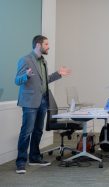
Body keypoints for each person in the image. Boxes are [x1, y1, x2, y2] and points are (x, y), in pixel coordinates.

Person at [15, 35, 71, 174]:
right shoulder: (25, 60)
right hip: (30, 102)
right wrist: (26, 76)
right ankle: (21, 162)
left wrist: (58, 74)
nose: (48, 46)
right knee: (26, 132)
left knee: (38, 131)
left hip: (43, 101)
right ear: (38, 45)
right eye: (46, 44)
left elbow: (44, 81)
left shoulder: (43, 61)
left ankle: (34, 157)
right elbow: (17, 80)